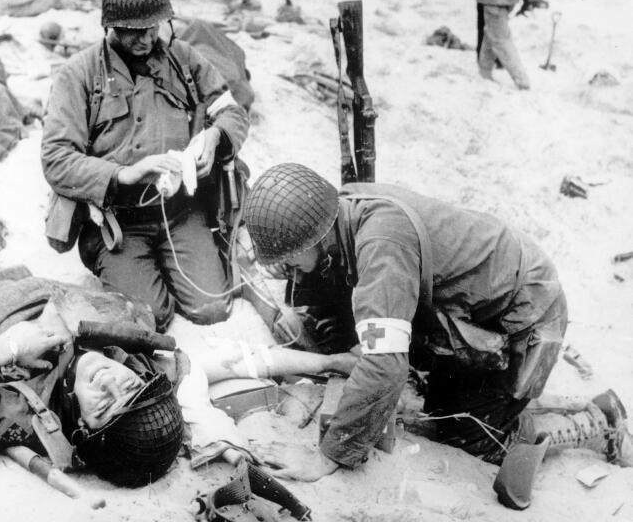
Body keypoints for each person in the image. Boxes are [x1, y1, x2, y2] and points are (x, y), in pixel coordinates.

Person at [242, 162, 633, 482]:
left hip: (525, 320)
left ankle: (598, 421)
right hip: (478, 309)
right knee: (438, 398)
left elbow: (383, 365)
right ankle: (537, 401)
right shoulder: (342, 208)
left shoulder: (382, 246)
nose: (292, 272)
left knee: (472, 435)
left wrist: (327, 457)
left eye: (293, 261)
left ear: (315, 239)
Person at [0, 219, 356, 487]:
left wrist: (11, 346)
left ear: (81, 430)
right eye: (128, 386)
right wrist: (327, 363)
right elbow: (240, 361)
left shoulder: (23, 416)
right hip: (3, 282)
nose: (112, 380)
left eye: (106, 406)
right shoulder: (141, 370)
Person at [41, 0, 249, 331]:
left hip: (182, 213)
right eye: (133, 31)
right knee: (150, 318)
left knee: (212, 308)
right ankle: (126, 270)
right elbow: (57, 159)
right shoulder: (79, 74)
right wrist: (123, 173)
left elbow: (230, 110)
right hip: (118, 222)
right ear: (110, 27)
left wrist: (215, 139)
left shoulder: (183, 60)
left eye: (153, 27)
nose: (146, 39)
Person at [456, 0, 534, 90]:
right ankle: (484, 71)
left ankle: (522, 80)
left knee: (499, 39)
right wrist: (528, 0)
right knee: (491, 33)